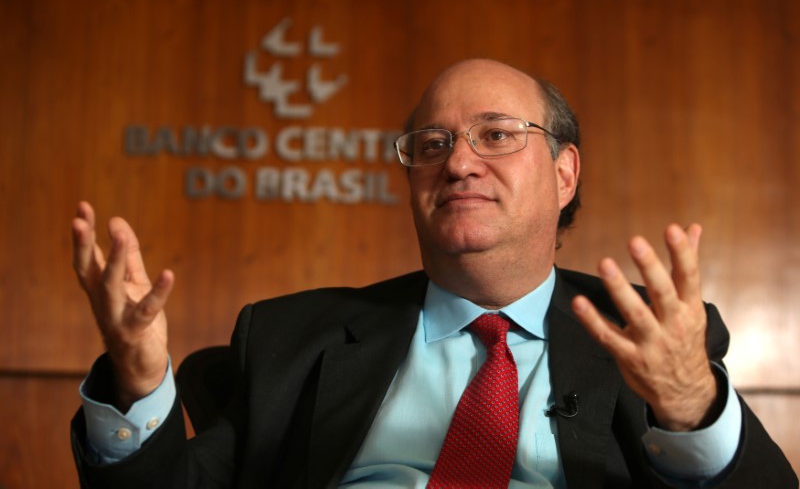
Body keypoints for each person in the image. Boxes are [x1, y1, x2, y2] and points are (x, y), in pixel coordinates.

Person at [70, 59, 797, 488]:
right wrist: (136, 384)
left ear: (564, 172)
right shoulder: (292, 336)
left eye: (496, 135)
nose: (457, 160)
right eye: (433, 141)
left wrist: (694, 406)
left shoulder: (650, 335)